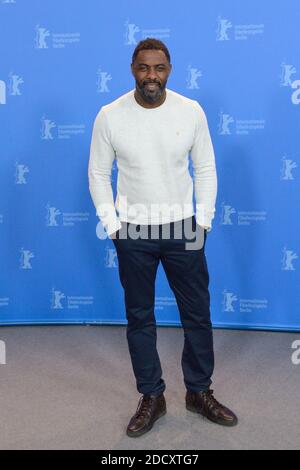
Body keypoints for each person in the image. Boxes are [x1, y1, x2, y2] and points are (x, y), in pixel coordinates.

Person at [88, 38, 238, 438]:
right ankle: (152, 396)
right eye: (143, 67)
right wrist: (114, 226)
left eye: (158, 68)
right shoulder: (110, 115)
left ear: (169, 70)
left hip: (183, 228)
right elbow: (99, 174)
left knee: (198, 315)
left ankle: (198, 391)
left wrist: (202, 223)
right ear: (132, 69)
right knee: (140, 318)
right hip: (133, 230)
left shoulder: (190, 111)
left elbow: (205, 168)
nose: (150, 75)